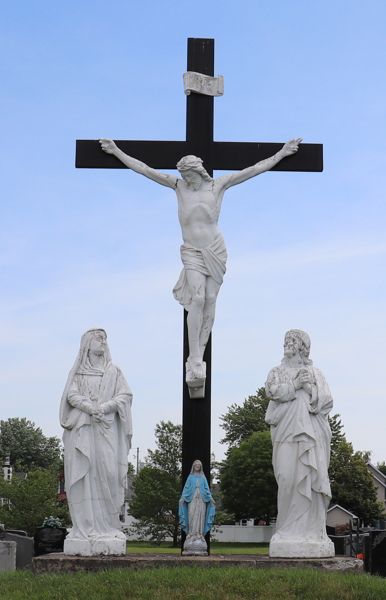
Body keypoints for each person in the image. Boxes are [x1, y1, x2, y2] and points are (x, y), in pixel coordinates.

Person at [99, 138, 302, 385]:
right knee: (197, 299)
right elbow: (144, 169)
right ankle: (194, 356)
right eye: (183, 175)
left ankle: (201, 351)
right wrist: (117, 151)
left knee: (211, 299)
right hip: (192, 251)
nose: (187, 179)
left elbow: (255, 169)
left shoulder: (218, 186)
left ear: (199, 171)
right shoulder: (178, 186)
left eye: (189, 175)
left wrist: (282, 153)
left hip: (215, 249)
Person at [60, 328, 133, 555]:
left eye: (104, 339)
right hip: (82, 428)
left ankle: (109, 526)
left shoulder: (114, 371)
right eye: (98, 338)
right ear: (88, 344)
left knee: (109, 475)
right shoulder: (78, 374)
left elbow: (125, 396)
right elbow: (71, 395)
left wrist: (104, 407)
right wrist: (90, 408)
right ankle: (84, 527)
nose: (102, 342)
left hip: (106, 429)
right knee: (83, 476)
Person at [265, 329, 335, 558]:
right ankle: (286, 531)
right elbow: (272, 391)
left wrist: (308, 387)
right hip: (285, 432)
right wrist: (295, 385)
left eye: (292, 341)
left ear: (303, 346)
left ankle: (312, 533)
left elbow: (327, 401)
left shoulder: (316, 373)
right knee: (286, 478)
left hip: (312, 435)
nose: (287, 343)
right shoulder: (277, 372)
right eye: (286, 340)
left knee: (311, 480)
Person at [179, 459, 216, 554]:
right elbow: (186, 488)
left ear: (200, 468)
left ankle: (199, 534)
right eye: (196, 466)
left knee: (200, 517)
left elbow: (207, 490)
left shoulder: (203, 478)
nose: (197, 467)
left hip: (201, 500)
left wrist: (210, 499)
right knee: (191, 515)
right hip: (192, 499)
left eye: (199, 466)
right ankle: (191, 534)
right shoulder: (190, 478)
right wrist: (183, 497)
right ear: (193, 467)